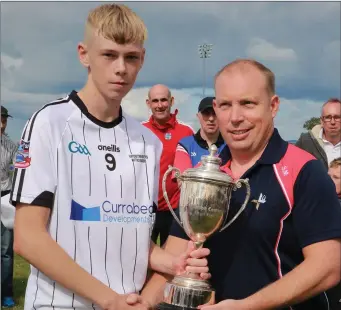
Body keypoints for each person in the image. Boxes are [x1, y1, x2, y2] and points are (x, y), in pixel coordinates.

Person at [10, 5, 209, 310]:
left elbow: (127, 234)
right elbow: (28, 237)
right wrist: (108, 299)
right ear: (84, 54)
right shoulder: (49, 123)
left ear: (142, 60)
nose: (121, 68)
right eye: (109, 55)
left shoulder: (146, 142)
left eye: (131, 57)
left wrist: (171, 262)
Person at [141, 59, 341, 310]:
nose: (235, 118)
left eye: (248, 103)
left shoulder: (304, 170)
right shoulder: (204, 177)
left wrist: (247, 306)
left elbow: (328, 265)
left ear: (273, 106)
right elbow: (173, 261)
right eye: (225, 105)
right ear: (215, 107)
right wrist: (143, 304)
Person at [142, 85, 194, 247]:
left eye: (163, 100)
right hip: (145, 208)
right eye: (155, 101)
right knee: (142, 258)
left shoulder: (186, 132)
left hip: (174, 210)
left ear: (171, 101)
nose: (160, 105)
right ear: (148, 103)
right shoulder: (139, 130)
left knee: (171, 259)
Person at [173, 96, 225, 174]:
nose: (211, 119)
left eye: (215, 113)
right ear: (198, 116)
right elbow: (182, 180)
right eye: (206, 114)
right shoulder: (185, 145)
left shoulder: (230, 146)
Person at [1, 105, 18, 308]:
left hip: (5, 197)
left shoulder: (10, 145)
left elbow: (20, 167)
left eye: (4, 120)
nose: (1, 124)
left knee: (5, 251)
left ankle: (6, 293)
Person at [296, 98, 341, 169]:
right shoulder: (306, 142)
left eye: (337, 117)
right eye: (328, 117)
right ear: (322, 121)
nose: (333, 122)